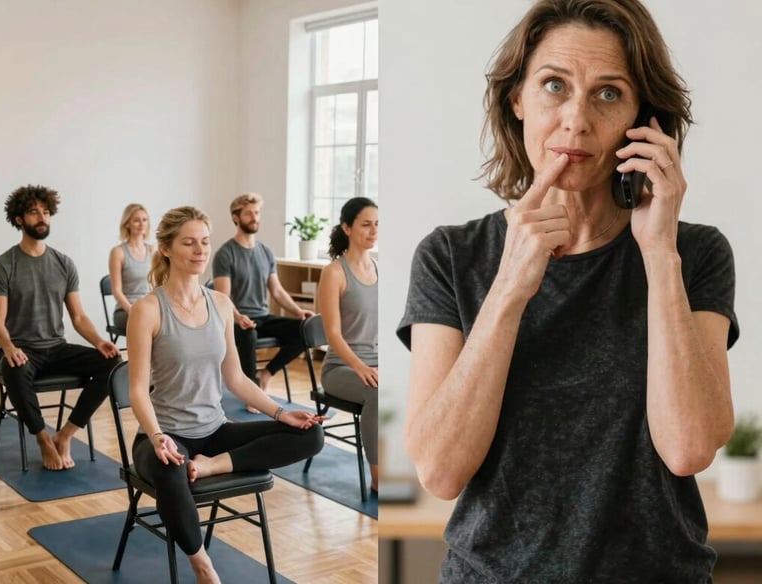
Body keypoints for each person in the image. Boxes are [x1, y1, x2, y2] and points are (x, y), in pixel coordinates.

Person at [397, 1, 739, 582]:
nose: (577, 120)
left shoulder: (695, 254)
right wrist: (508, 289)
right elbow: (440, 471)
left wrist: (659, 255)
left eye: (608, 93)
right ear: (518, 100)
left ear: (642, 119)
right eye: (555, 85)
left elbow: (688, 449)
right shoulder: (450, 256)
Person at [127, 206, 324, 584]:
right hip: (166, 435)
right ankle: (203, 565)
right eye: (189, 242)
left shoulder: (219, 303)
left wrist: (281, 412)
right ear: (166, 248)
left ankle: (214, 465)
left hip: (215, 432)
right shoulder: (148, 310)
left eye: (204, 241)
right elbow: (137, 390)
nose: (200, 250)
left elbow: (236, 379)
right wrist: (157, 436)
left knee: (311, 434)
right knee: (173, 470)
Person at [0, 185, 121, 470]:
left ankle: (65, 435)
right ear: (18, 219)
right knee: (13, 368)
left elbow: (78, 317)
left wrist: (99, 341)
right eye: (33, 212)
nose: (41, 217)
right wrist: (9, 347)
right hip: (20, 350)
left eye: (46, 212)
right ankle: (42, 439)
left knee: (112, 362)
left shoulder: (63, 263)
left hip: (56, 349)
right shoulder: (3, 266)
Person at [212, 193, 314, 412]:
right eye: (248, 213)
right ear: (235, 217)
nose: (254, 217)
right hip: (236, 320)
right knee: (248, 333)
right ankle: (252, 394)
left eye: (257, 212)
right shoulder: (225, 254)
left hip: (263, 317)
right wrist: (239, 317)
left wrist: (298, 311)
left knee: (305, 329)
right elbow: (223, 297)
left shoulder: (266, 251)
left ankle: (265, 374)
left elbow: (276, 290)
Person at [318, 197, 378, 492]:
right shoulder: (334, 273)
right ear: (347, 228)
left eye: (377, 224)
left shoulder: (380, 268)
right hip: (341, 368)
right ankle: (380, 478)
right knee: (380, 393)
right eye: (366, 224)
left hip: (375, 363)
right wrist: (360, 366)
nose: (373, 230)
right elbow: (333, 335)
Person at [108, 203, 153, 331]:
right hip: (125, 311)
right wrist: (133, 310)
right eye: (136, 220)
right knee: (147, 321)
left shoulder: (152, 251)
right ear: (127, 223)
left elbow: (156, 285)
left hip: (148, 308)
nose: (142, 224)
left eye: (144, 220)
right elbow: (116, 291)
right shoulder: (118, 252)